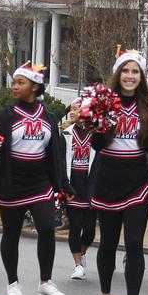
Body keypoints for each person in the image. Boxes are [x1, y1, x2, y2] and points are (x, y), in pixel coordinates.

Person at [89, 47, 148, 295]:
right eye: (126, 71)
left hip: (136, 182)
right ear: (118, 75)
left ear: (141, 77)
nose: (130, 76)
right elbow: (96, 145)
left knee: (134, 244)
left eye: (136, 72)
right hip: (107, 180)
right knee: (107, 243)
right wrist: (94, 120)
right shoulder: (103, 104)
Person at [0, 62, 68, 295]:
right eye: (14, 83)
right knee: (11, 232)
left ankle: (45, 281)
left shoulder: (48, 115)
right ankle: (12, 282)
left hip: (39, 182)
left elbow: (55, 152)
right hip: (11, 183)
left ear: (34, 87)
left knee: (47, 228)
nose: (15, 87)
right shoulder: (5, 115)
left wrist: (63, 184)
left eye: (21, 83)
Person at [63, 105, 95, 280]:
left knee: (89, 231)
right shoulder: (66, 134)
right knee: (75, 227)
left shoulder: (96, 134)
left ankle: (82, 255)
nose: (72, 112)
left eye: (76, 109)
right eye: (71, 110)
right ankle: (77, 265)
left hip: (90, 188)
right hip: (73, 187)